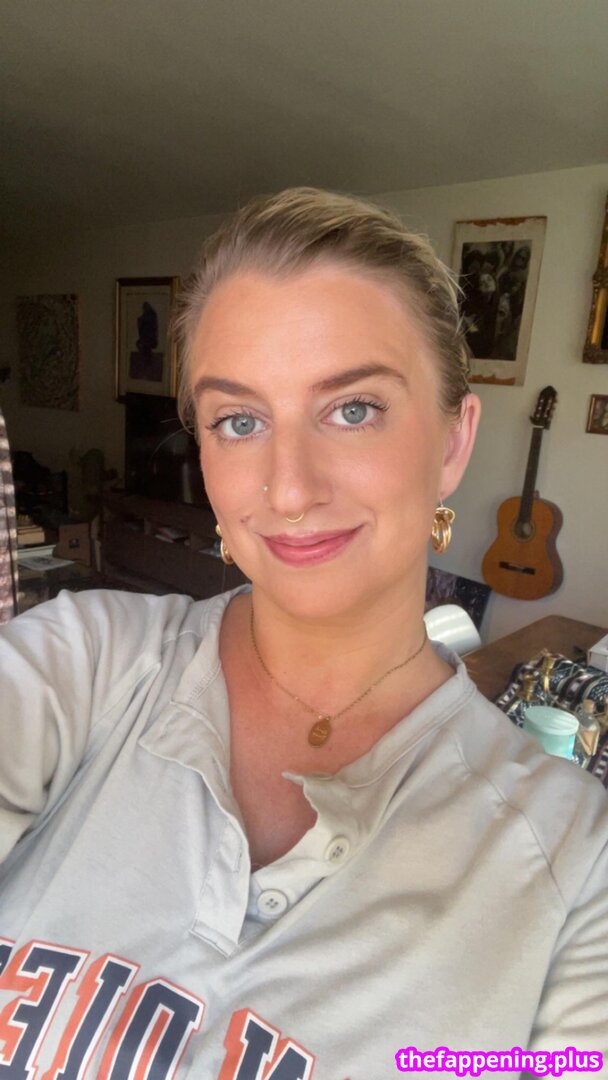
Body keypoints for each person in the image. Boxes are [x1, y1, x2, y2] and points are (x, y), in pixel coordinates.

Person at [0, 188, 606, 1080]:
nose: (288, 489)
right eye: (240, 421)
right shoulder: (78, 664)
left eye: (353, 408)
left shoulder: (574, 870)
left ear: (452, 440)